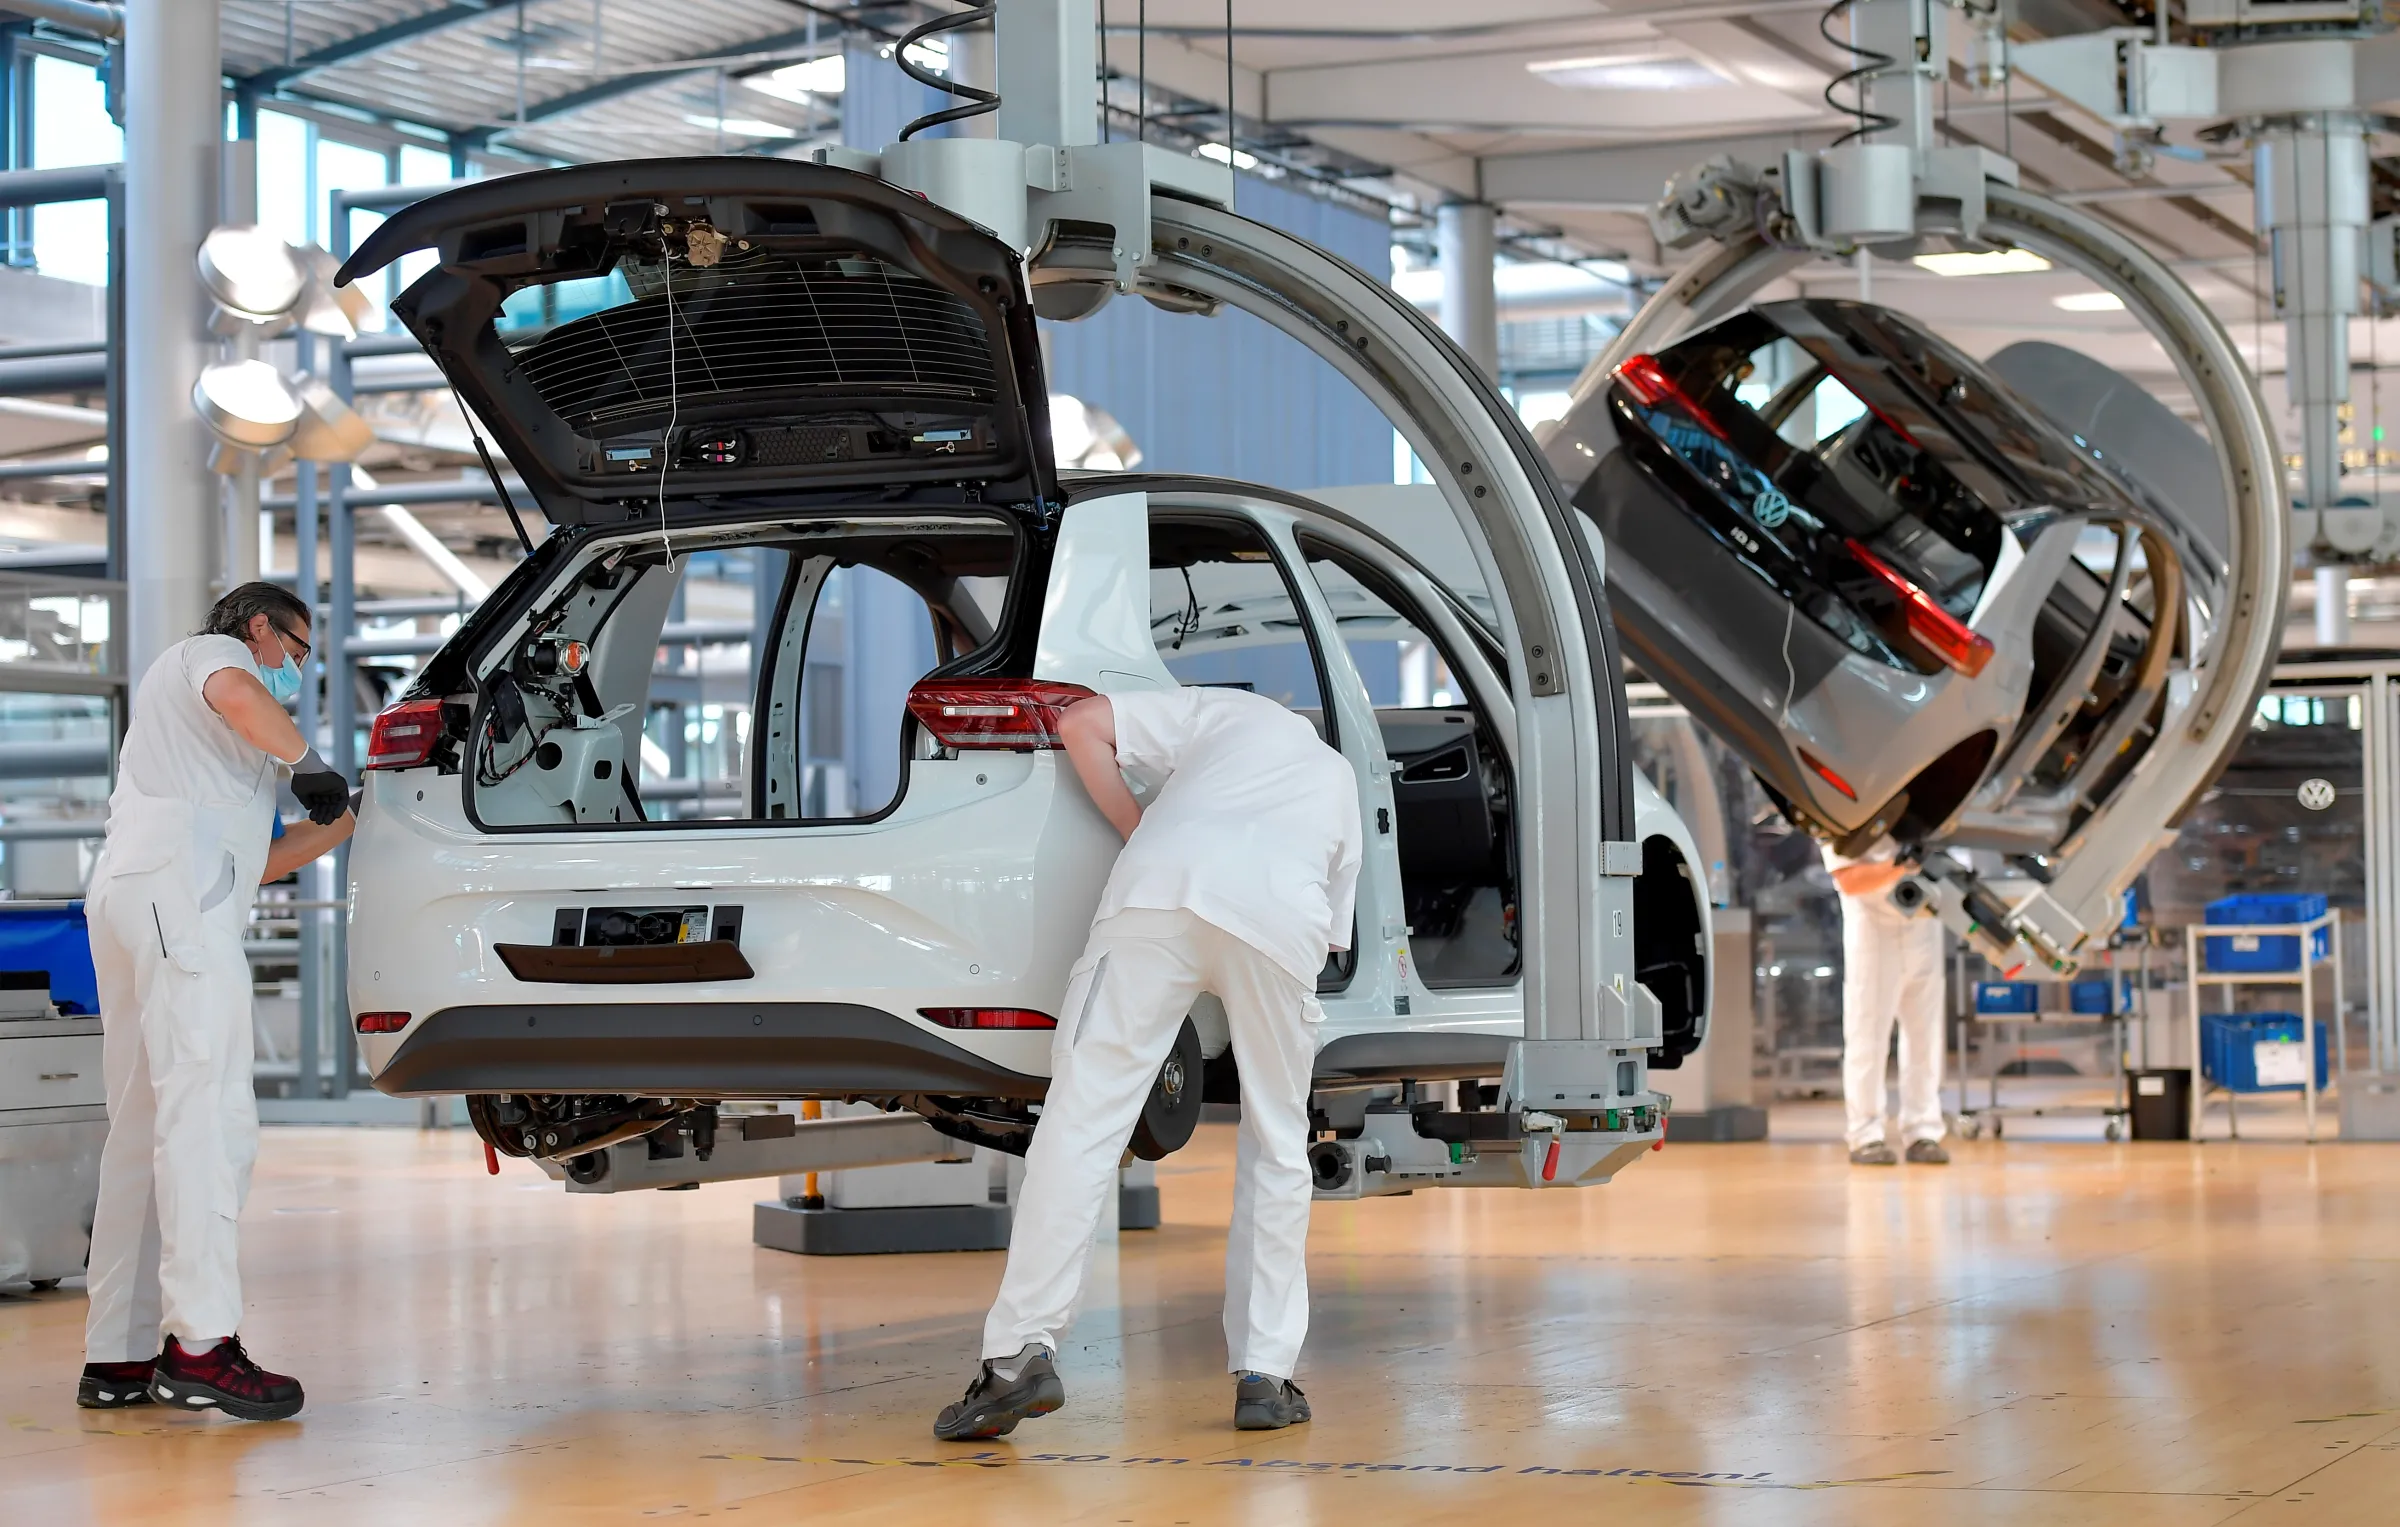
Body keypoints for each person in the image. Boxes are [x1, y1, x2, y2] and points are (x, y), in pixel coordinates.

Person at [933, 684, 1362, 1440]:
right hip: (1279, 917)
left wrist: (1140, 829)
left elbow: (1080, 723)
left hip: (1158, 893)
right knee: (1276, 1142)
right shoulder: (1339, 779)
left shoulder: (1232, 713)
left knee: (1082, 1122)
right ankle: (1263, 1374)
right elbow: (1333, 934)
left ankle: (1016, 1357)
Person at [76, 583, 355, 1420]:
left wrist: (352, 815)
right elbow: (240, 693)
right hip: (178, 909)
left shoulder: (217, 747)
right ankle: (201, 1344)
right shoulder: (217, 657)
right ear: (261, 627)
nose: (297, 671)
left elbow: (265, 860)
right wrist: (310, 765)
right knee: (208, 1116)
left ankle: (118, 1355)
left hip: (147, 900)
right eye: (298, 653)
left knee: (142, 1124)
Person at [1825, 841, 1948, 1166]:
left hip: (1923, 927)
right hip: (1873, 932)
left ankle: (1924, 1131)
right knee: (1868, 1036)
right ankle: (1865, 1135)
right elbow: (1850, 880)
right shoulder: (1839, 815)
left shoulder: (1922, 812)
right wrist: (1901, 866)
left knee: (1926, 1036)